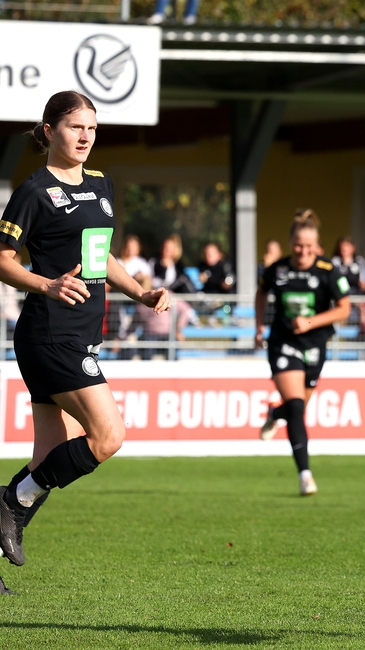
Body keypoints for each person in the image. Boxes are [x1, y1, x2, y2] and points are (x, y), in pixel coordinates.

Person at [0, 91, 170, 570]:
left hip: (79, 333)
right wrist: (46, 284)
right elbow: (2, 260)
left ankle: (12, 502)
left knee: (48, 457)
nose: (85, 136)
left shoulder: (102, 184)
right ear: (50, 131)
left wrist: (140, 293)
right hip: (49, 333)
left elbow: (102, 257)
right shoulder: (34, 190)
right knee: (108, 436)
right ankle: (11, 502)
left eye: (92, 128)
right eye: (76, 127)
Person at [254, 210, 351, 496]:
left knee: (296, 408)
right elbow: (261, 293)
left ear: (317, 244)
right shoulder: (278, 269)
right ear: (290, 242)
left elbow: (344, 308)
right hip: (283, 342)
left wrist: (310, 322)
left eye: (309, 246)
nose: (303, 251)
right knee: (297, 407)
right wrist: (259, 325)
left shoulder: (328, 270)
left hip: (316, 344)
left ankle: (276, 412)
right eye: (298, 245)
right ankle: (305, 475)